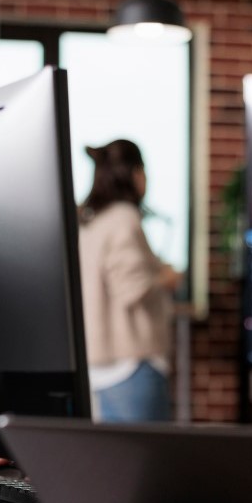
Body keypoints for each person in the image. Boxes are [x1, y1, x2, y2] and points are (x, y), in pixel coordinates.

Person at [77, 139, 179, 422]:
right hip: (131, 365)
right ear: (135, 173)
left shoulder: (90, 220)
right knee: (148, 463)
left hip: (103, 367)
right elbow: (130, 288)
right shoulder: (124, 218)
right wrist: (164, 277)